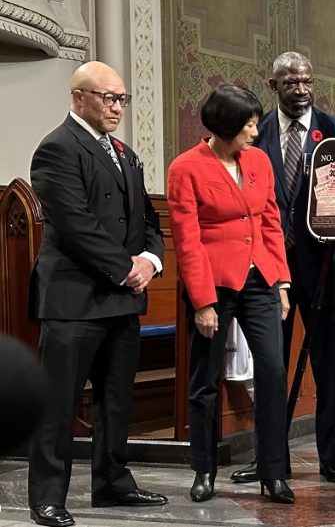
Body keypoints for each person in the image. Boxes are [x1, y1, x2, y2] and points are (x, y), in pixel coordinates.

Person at [28, 61, 167, 527]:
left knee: (115, 398)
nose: (117, 107)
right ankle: (47, 497)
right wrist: (125, 268)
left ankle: (112, 482)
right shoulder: (57, 148)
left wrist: (151, 260)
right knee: (59, 403)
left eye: (122, 99)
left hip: (121, 297)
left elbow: (147, 219)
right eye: (109, 98)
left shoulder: (124, 153)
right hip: (73, 298)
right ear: (78, 96)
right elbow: (74, 224)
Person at [167, 84, 294, 505]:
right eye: (249, 124)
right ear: (224, 125)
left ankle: (273, 472)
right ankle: (204, 469)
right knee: (205, 380)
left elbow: (271, 221)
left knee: (273, 372)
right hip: (214, 285)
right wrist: (202, 301)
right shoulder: (185, 168)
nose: (256, 133)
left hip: (260, 279)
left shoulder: (259, 161)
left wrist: (280, 281)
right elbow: (187, 240)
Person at [238, 51, 335, 485]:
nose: (302, 90)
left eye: (307, 81)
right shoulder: (254, 133)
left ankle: (332, 457)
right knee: (271, 367)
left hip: (325, 267)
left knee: (329, 365)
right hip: (269, 271)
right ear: (274, 86)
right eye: (291, 83)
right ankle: (270, 460)